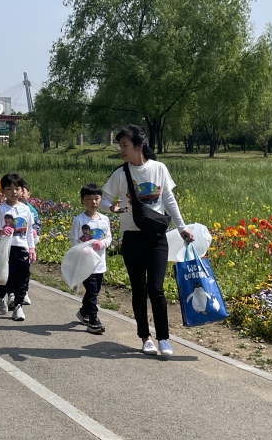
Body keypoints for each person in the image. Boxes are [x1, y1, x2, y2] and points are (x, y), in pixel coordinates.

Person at [100, 124, 193, 357]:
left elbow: (169, 199)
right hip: (131, 237)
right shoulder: (121, 174)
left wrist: (182, 228)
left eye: (125, 145)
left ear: (139, 146)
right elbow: (103, 199)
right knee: (139, 289)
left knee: (156, 288)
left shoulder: (159, 168)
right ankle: (145, 337)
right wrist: (112, 207)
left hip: (157, 237)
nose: (121, 149)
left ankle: (164, 338)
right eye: (120, 145)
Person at [0, 173, 35, 321]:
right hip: (7, 249)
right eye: (9, 189)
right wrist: (1, 230)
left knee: (22, 279)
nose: (14, 192)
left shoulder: (26, 210)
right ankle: (0, 295)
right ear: (3, 191)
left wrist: (31, 248)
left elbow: (29, 231)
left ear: (22, 190)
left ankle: (18, 307)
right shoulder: (1, 210)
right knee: (7, 279)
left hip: (22, 248)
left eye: (17, 189)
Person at [70, 183, 112, 335]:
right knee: (92, 290)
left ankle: (83, 312)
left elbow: (108, 238)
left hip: (100, 263)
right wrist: (83, 250)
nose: (93, 202)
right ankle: (93, 320)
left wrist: (102, 243)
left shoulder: (104, 219)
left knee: (95, 290)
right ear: (82, 201)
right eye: (89, 199)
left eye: (96, 199)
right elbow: (74, 240)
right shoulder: (79, 220)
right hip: (85, 263)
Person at [13, 181, 40, 307]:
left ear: (29, 194)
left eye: (23, 192)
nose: (20, 194)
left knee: (24, 270)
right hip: (13, 243)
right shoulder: (9, 208)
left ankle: (23, 292)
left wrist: (35, 232)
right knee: (12, 270)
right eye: (19, 191)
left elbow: (35, 225)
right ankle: (12, 293)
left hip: (27, 243)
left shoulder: (31, 210)